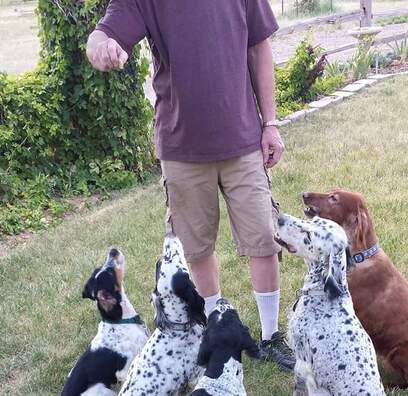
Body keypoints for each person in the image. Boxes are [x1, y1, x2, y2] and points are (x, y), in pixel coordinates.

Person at [87, 0, 294, 370]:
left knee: (263, 236)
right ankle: (214, 324)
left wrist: (271, 123)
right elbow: (103, 33)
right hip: (182, 146)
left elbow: (259, 46)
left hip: (244, 139)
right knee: (195, 246)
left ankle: (269, 335)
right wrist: (100, 46)